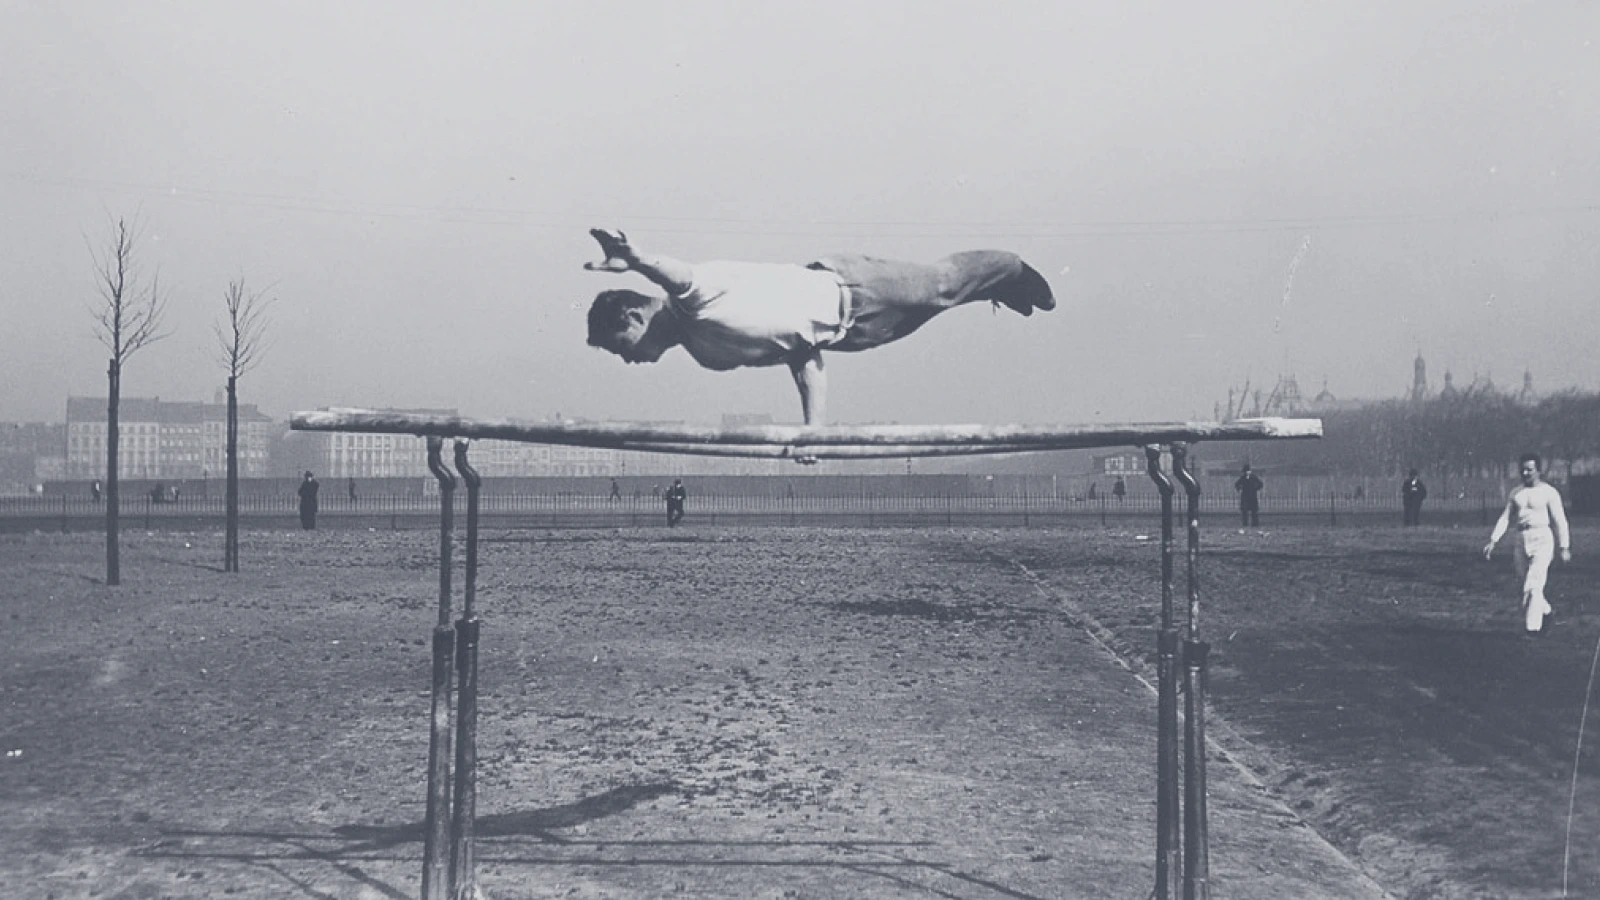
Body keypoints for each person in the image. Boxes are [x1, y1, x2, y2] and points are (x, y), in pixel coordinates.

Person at [583, 229, 1055, 427]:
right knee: (942, 305)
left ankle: (1012, 271)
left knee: (943, 287)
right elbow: (799, 354)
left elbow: (678, 273)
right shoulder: (709, 355)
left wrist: (638, 260)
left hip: (855, 285)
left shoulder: (694, 301)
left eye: (617, 345)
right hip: (854, 335)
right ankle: (998, 287)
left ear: (633, 316)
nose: (623, 358)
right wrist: (814, 429)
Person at [1483, 453, 1572, 635]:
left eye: (1530, 469)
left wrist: (1564, 547)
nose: (1525, 473)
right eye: (1523, 469)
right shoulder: (1516, 493)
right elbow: (1506, 518)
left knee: (1533, 584)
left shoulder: (1549, 492)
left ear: (1538, 470)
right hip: (1521, 539)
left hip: (1542, 538)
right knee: (1526, 583)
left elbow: (1560, 520)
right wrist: (1493, 540)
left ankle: (1532, 629)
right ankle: (1546, 612)